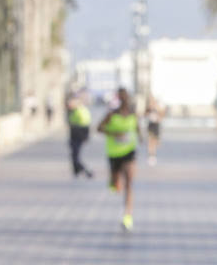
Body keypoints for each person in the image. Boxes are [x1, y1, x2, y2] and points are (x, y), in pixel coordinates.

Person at [97, 87, 138, 231]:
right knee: (116, 185)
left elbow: (137, 130)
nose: (125, 100)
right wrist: (114, 134)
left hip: (129, 152)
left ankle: (127, 216)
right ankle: (114, 180)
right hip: (114, 153)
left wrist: (139, 136)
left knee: (129, 183)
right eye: (122, 98)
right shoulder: (111, 115)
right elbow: (99, 128)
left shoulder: (133, 114)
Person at [66, 91, 93, 178]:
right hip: (74, 136)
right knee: (73, 155)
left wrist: (85, 136)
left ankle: (87, 171)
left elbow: (85, 124)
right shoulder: (74, 111)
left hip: (78, 136)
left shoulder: (80, 110)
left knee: (75, 156)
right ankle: (76, 172)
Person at [145, 95, 163, 166]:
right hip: (151, 125)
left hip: (156, 125)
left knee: (156, 142)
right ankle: (151, 156)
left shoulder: (158, 107)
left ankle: (153, 154)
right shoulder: (149, 108)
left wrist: (158, 115)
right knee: (150, 141)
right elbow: (145, 114)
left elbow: (161, 115)